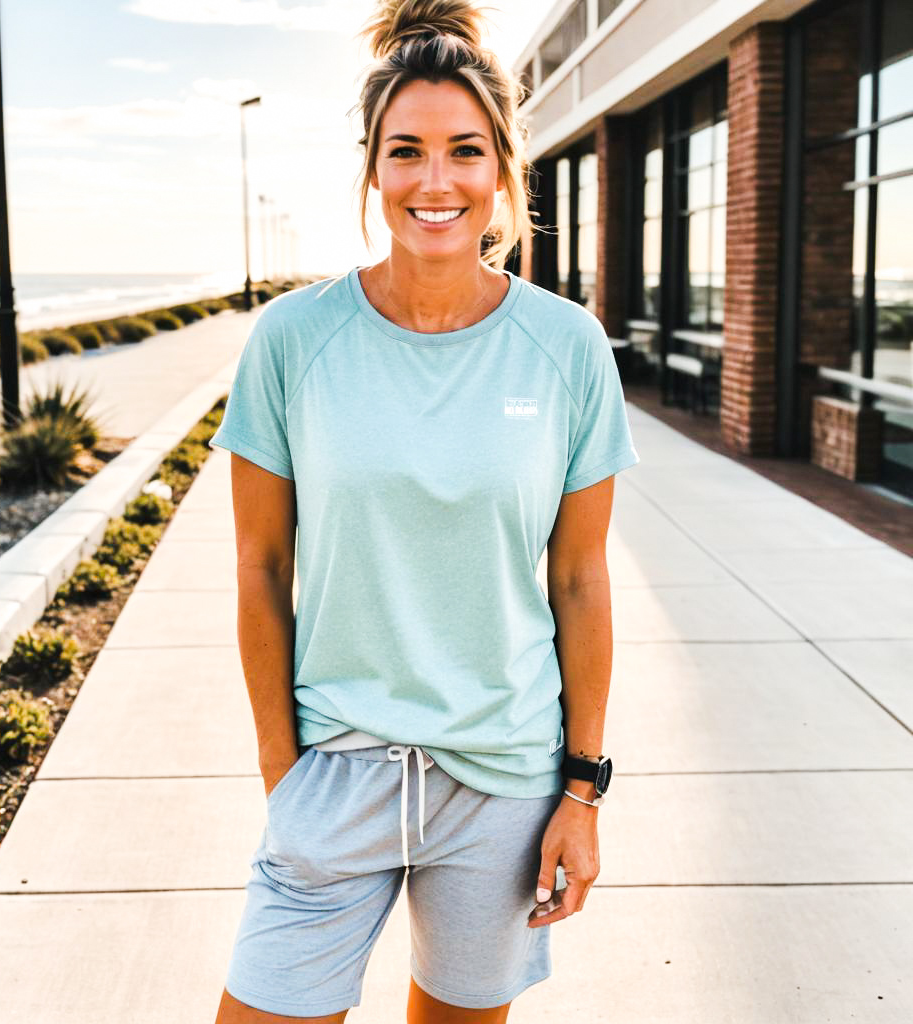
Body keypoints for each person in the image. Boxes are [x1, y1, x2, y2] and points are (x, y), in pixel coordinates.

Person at [211, 1, 640, 1020]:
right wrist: (284, 774)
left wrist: (580, 792)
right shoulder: (291, 341)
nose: (435, 182)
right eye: (406, 152)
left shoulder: (568, 347)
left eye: (464, 151)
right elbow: (260, 569)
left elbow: (578, 578)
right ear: (372, 168)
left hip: (501, 780)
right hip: (336, 770)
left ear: (501, 170)